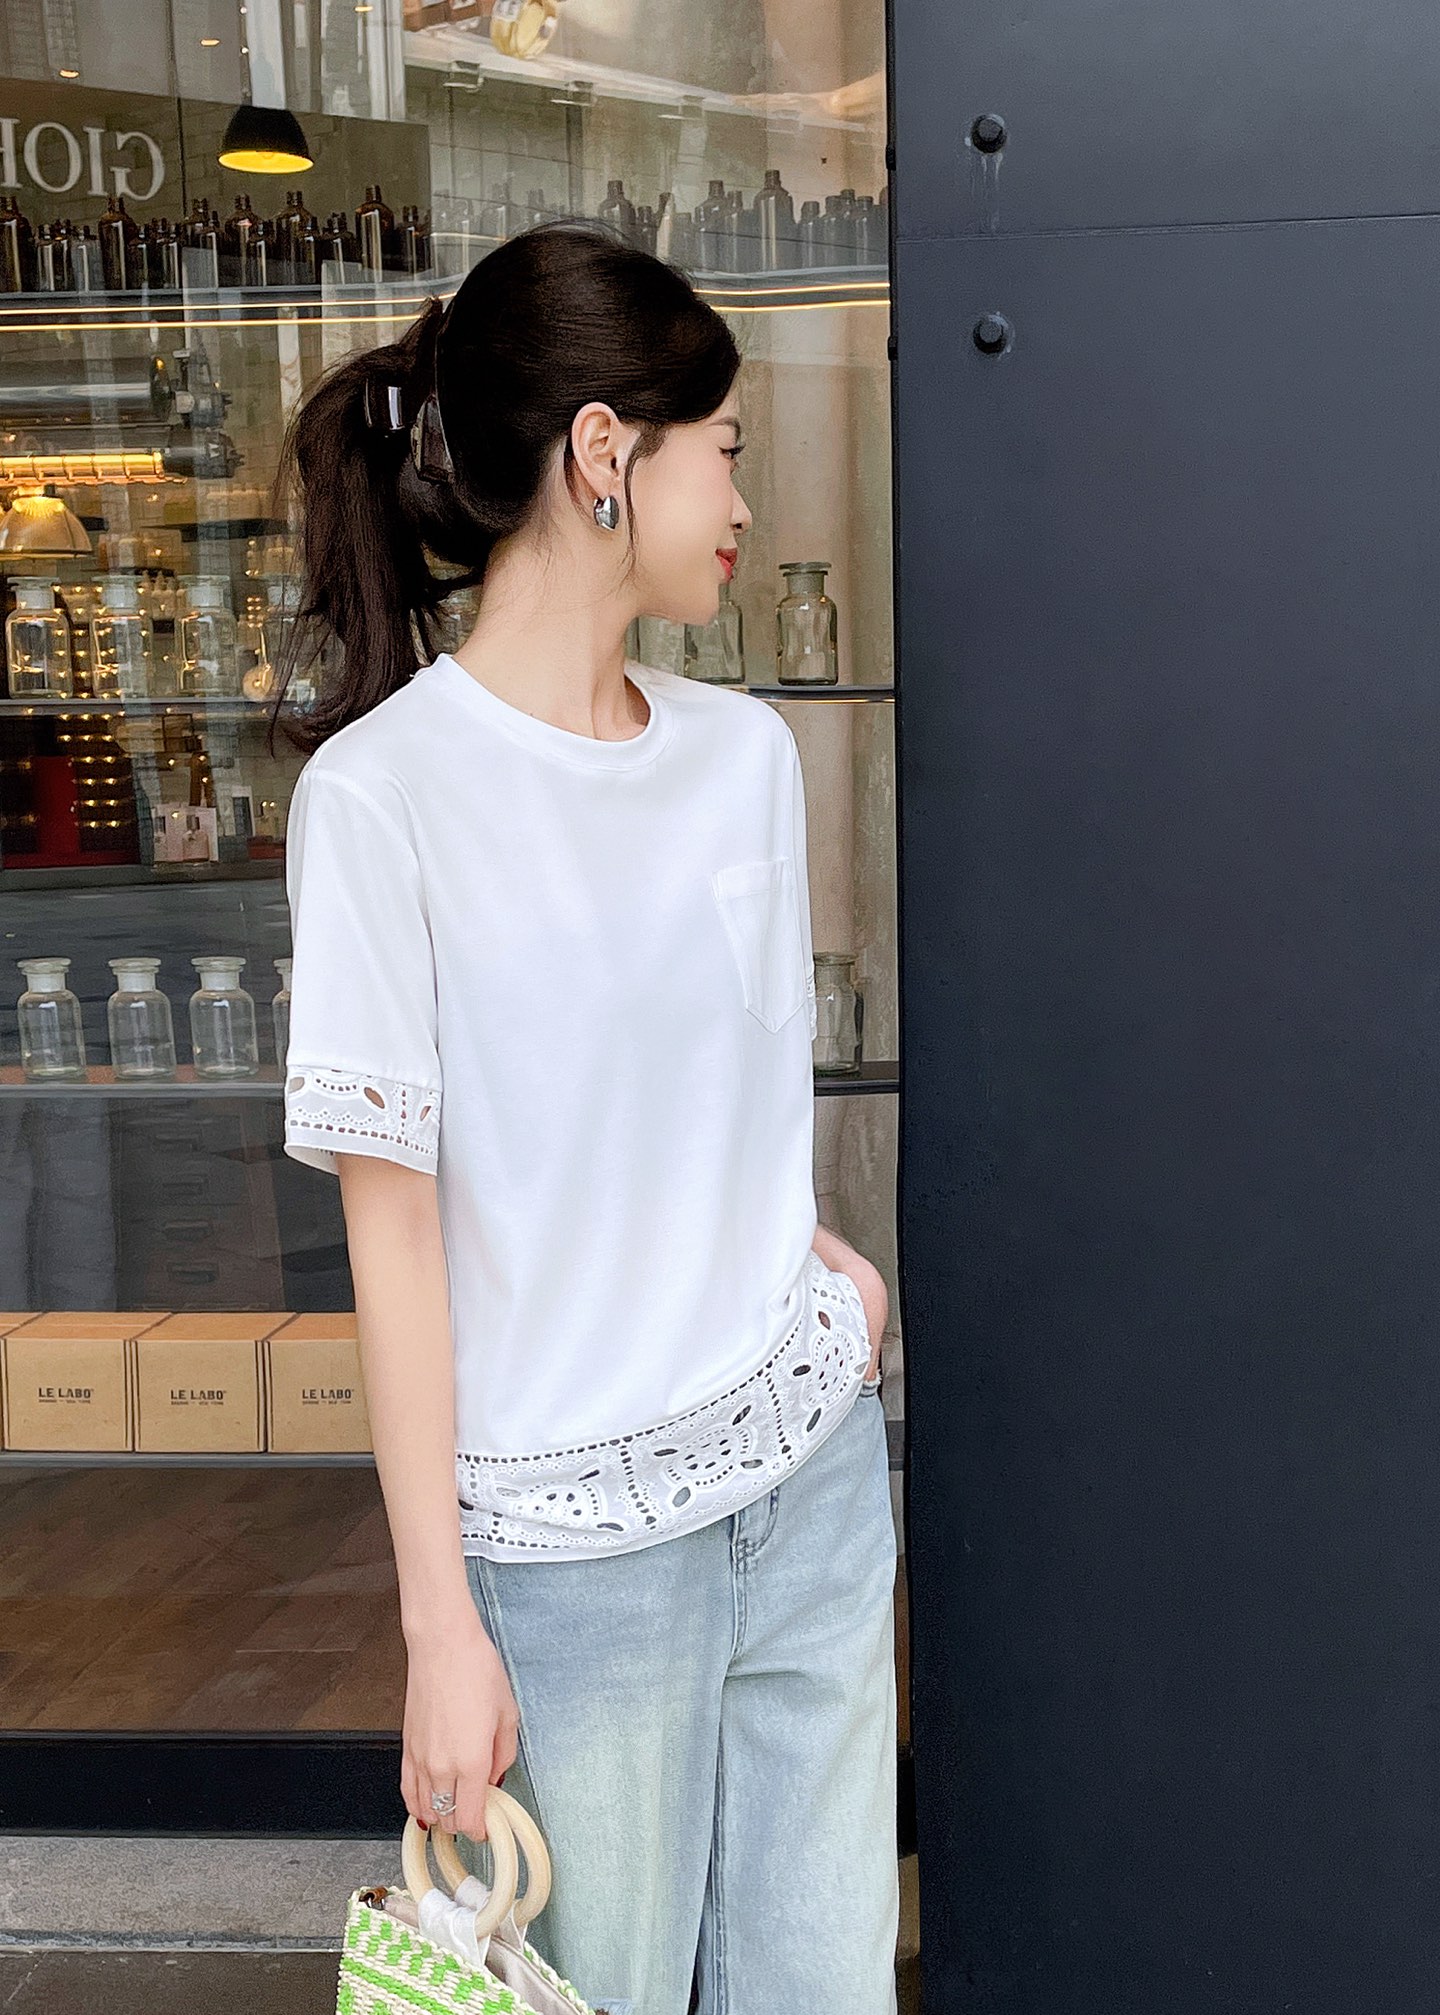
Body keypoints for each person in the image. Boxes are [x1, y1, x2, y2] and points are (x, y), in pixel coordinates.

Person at [272, 220, 899, 2015]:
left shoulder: (746, 757)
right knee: (598, 1994)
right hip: (570, 1560)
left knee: (829, 1994)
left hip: (806, 1478)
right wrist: (438, 1627)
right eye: (726, 455)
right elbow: (395, 1241)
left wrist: (818, 1269)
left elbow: (716, 1098)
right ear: (604, 453)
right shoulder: (385, 800)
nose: (744, 508)